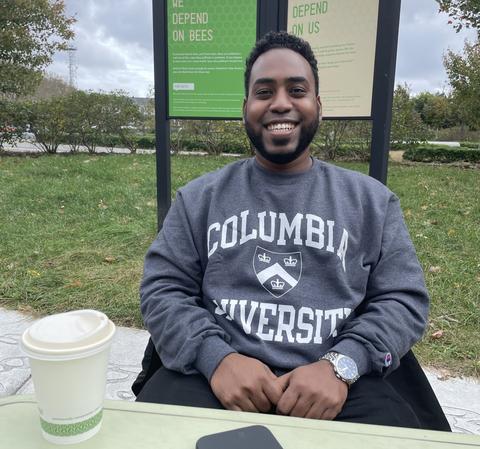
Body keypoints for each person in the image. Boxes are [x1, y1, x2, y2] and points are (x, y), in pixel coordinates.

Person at [135, 31, 450, 430]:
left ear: (318, 105)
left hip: (340, 385)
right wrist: (216, 358)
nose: (280, 103)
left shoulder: (372, 203)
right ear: (245, 107)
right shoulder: (200, 199)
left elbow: (403, 299)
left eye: (297, 90)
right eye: (263, 91)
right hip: (215, 380)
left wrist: (342, 364)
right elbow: (163, 288)